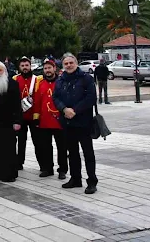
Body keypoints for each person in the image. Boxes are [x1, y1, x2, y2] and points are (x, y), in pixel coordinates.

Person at [52, 53, 98, 194]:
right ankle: (75, 178)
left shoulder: (86, 78)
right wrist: (64, 109)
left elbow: (91, 98)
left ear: (76, 63)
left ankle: (91, 181)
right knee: (72, 153)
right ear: (63, 66)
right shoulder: (60, 80)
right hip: (67, 122)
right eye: (66, 64)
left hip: (83, 122)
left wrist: (75, 110)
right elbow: (55, 97)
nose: (69, 65)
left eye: (71, 63)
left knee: (88, 153)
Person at [32, 59, 68, 179]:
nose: (47, 70)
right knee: (45, 147)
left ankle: (62, 170)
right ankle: (48, 168)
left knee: (62, 147)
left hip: (59, 120)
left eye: (49, 68)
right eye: (45, 68)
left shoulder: (62, 82)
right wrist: (36, 117)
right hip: (45, 120)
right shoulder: (40, 83)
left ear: (54, 69)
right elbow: (37, 102)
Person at [12, 56, 43, 170]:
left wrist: (38, 115)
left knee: (38, 142)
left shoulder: (38, 79)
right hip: (20, 116)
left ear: (30, 66)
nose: (25, 68)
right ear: (19, 67)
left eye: (26, 65)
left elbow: (40, 97)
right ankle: (19, 163)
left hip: (34, 115)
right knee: (20, 142)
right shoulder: (15, 79)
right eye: (22, 66)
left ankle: (43, 165)